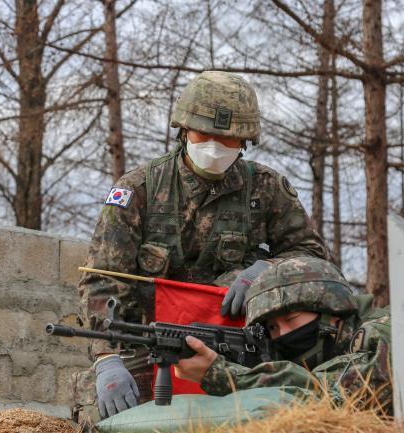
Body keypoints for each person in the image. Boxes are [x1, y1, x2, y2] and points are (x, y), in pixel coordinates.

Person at [74, 71, 328, 423]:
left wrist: (267, 270)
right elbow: (102, 280)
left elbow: (313, 257)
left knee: (288, 410)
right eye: (204, 134)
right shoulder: (139, 191)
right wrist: (107, 359)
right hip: (152, 345)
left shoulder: (267, 189)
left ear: (244, 141)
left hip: (242, 344)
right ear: (183, 129)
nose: (214, 145)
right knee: (103, 411)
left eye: (228, 139)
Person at [174, 256, 404, 423]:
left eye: (291, 320)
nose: (282, 334)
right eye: (273, 328)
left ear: (331, 313)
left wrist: (220, 374)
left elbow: (330, 398)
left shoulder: (386, 330)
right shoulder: (336, 346)